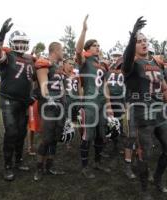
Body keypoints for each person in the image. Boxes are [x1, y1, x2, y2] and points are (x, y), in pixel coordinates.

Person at [123, 17, 167, 199]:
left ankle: (158, 178)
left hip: (159, 111)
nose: (143, 43)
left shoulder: (155, 63)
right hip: (141, 113)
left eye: (145, 40)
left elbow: (164, 87)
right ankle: (144, 189)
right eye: (139, 41)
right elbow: (127, 57)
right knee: (144, 155)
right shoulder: (131, 64)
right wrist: (132, 38)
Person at [0, 18, 35, 181]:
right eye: (18, 41)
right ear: (11, 42)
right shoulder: (8, 55)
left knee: (21, 132)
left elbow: (29, 79)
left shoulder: (30, 59)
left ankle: (18, 160)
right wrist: (0, 35)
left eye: (24, 42)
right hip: (8, 99)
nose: (22, 44)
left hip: (24, 101)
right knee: (11, 132)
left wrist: (31, 94)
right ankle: (7, 166)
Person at [76, 15, 112, 179]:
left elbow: (105, 85)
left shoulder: (103, 64)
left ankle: (97, 163)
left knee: (100, 135)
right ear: (88, 48)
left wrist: (109, 104)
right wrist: (84, 30)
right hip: (90, 102)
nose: (98, 47)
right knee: (88, 135)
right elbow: (77, 50)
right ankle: (84, 167)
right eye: (95, 45)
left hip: (101, 102)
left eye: (98, 45)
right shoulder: (85, 60)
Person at [33, 42, 66, 181]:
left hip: (60, 106)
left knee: (55, 138)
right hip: (49, 107)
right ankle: (39, 169)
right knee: (46, 139)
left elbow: (61, 88)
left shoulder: (58, 67)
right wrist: (49, 99)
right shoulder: (44, 63)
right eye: (62, 50)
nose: (63, 52)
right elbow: (43, 85)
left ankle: (49, 166)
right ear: (56, 50)